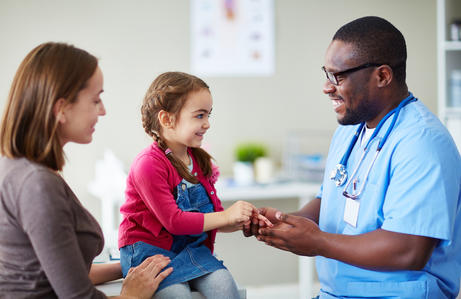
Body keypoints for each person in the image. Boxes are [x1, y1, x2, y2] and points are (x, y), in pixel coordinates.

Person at [245, 16, 461, 298]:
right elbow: (331, 202)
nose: (326, 87)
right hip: (337, 292)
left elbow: (408, 251)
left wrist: (318, 242)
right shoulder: (350, 131)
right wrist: (281, 222)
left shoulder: (422, 143)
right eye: (326, 73)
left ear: (382, 76)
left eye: (339, 76)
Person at [0, 42, 172, 299]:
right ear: (61, 109)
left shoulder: (19, 168)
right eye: (95, 99)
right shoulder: (37, 185)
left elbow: (55, 272)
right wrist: (131, 296)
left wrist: (128, 267)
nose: (103, 110)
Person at [118, 71, 271, 299]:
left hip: (189, 249)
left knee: (225, 286)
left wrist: (240, 220)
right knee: (177, 295)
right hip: (150, 254)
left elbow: (214, 217)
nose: (207, 124)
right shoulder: (148, 165)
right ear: (167, 119)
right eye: (199, 115)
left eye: (209, 115)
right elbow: (175, 222)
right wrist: (227, 216)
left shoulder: (199, 159)